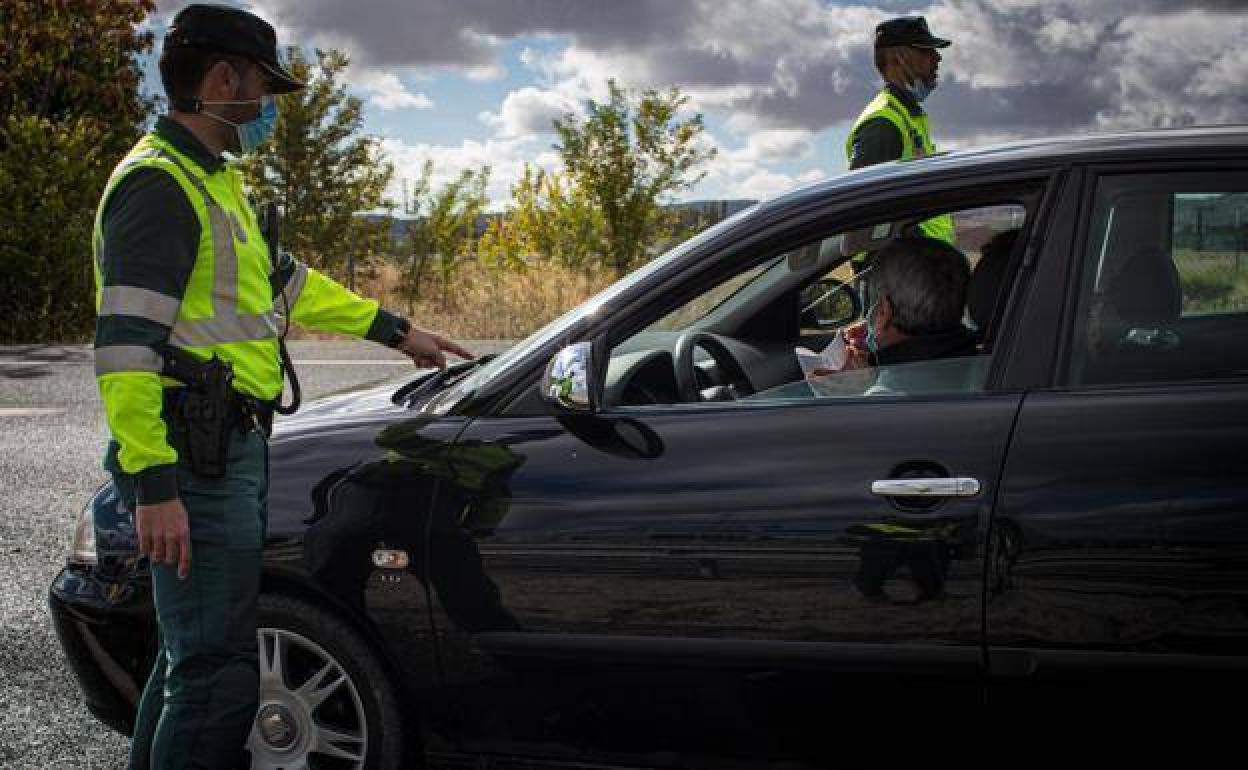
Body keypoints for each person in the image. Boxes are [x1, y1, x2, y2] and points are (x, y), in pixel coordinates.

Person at [90, 5, 472, 768]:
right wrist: (155, 485)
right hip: (192, 463)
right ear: (222, 77)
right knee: (216, 676)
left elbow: (289, 283)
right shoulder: (158, 188)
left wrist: (399, 332)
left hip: (228, 448)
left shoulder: (215, 182)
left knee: (186, 662)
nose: (265, 107)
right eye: (262, 87)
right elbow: (124, 352)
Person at [813, 236, 975, 396]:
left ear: (884, 310)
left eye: (872, 302)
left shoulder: (885, 400)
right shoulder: (976, 356)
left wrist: (855, 395)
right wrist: (876, 366)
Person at [845, 16, 955, 243]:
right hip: (903, 270)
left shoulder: (908, 115)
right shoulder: (883, 123)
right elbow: (867, 216)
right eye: (926, 51)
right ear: (898, 58)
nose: (937, 57)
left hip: (921, 265)